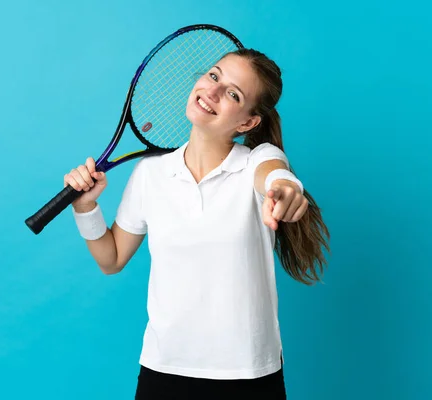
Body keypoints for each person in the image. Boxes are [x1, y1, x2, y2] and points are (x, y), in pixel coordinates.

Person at [64, 48, 330, 400]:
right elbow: (111, 259)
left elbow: (275, 176)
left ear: (248, 123)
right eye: (214, 76)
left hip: (249, 375)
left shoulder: (257, 162)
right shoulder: (150, 173)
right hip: (164, 371)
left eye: (234, 94)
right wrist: (85, 207)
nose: (214, 91)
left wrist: (284, 191)